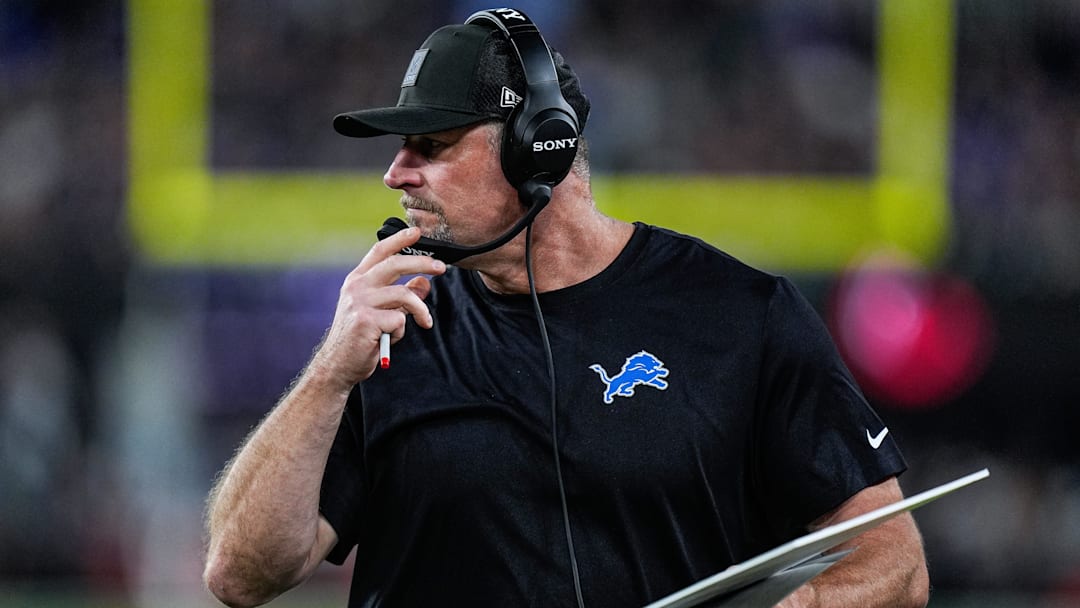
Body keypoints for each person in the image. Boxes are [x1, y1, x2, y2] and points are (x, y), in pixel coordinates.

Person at [203, 8, 929, 608]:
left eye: (432, 142)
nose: (396, 172)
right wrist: (331, 372)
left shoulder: (741, 315)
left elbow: (892, 566)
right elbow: (241, 576)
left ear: (536, 150)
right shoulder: (391, 330)